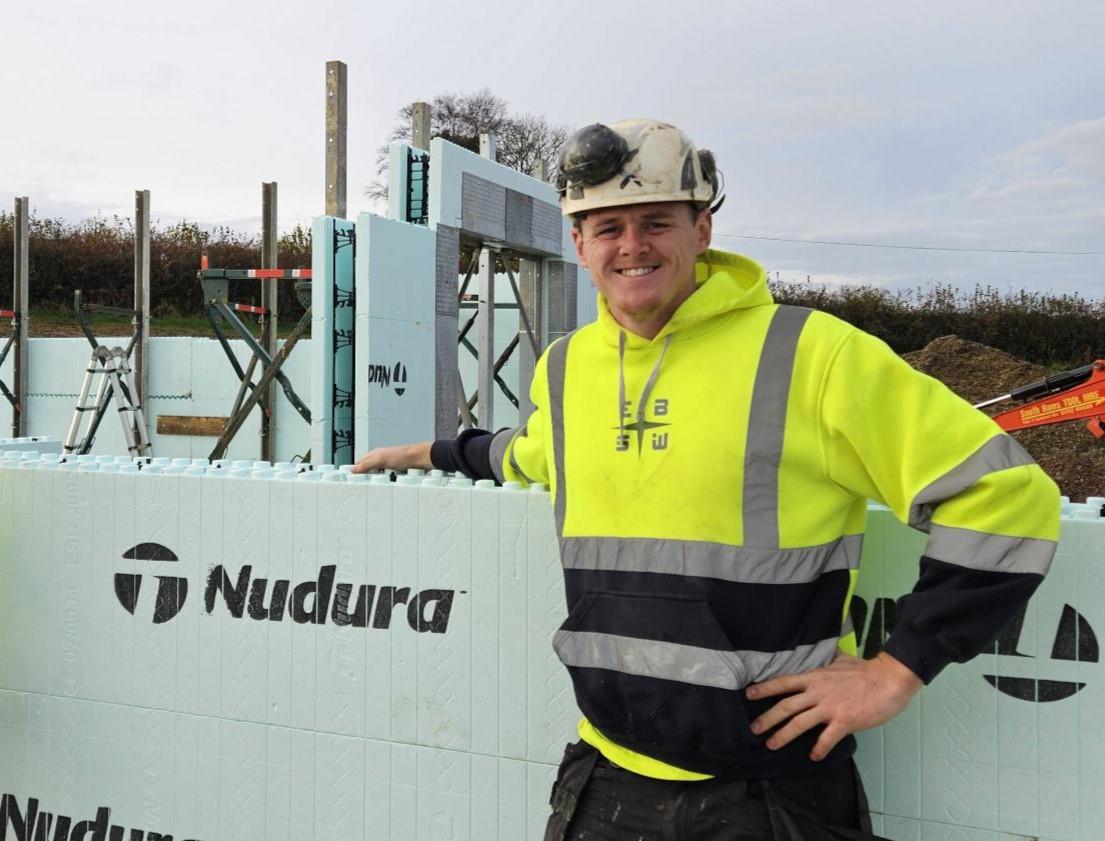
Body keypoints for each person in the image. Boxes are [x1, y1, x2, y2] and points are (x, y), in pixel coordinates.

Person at [354, 119, 1060, 840]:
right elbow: (533, 452)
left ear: (702, 229)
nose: (631, 246)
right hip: (607, 780)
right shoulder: (567, 368)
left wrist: (897, 668)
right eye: (607, 227)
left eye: (656, 221)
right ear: (578, 242)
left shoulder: (811, 353)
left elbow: (1001, 492)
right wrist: (432, 451)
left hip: (769, 796)